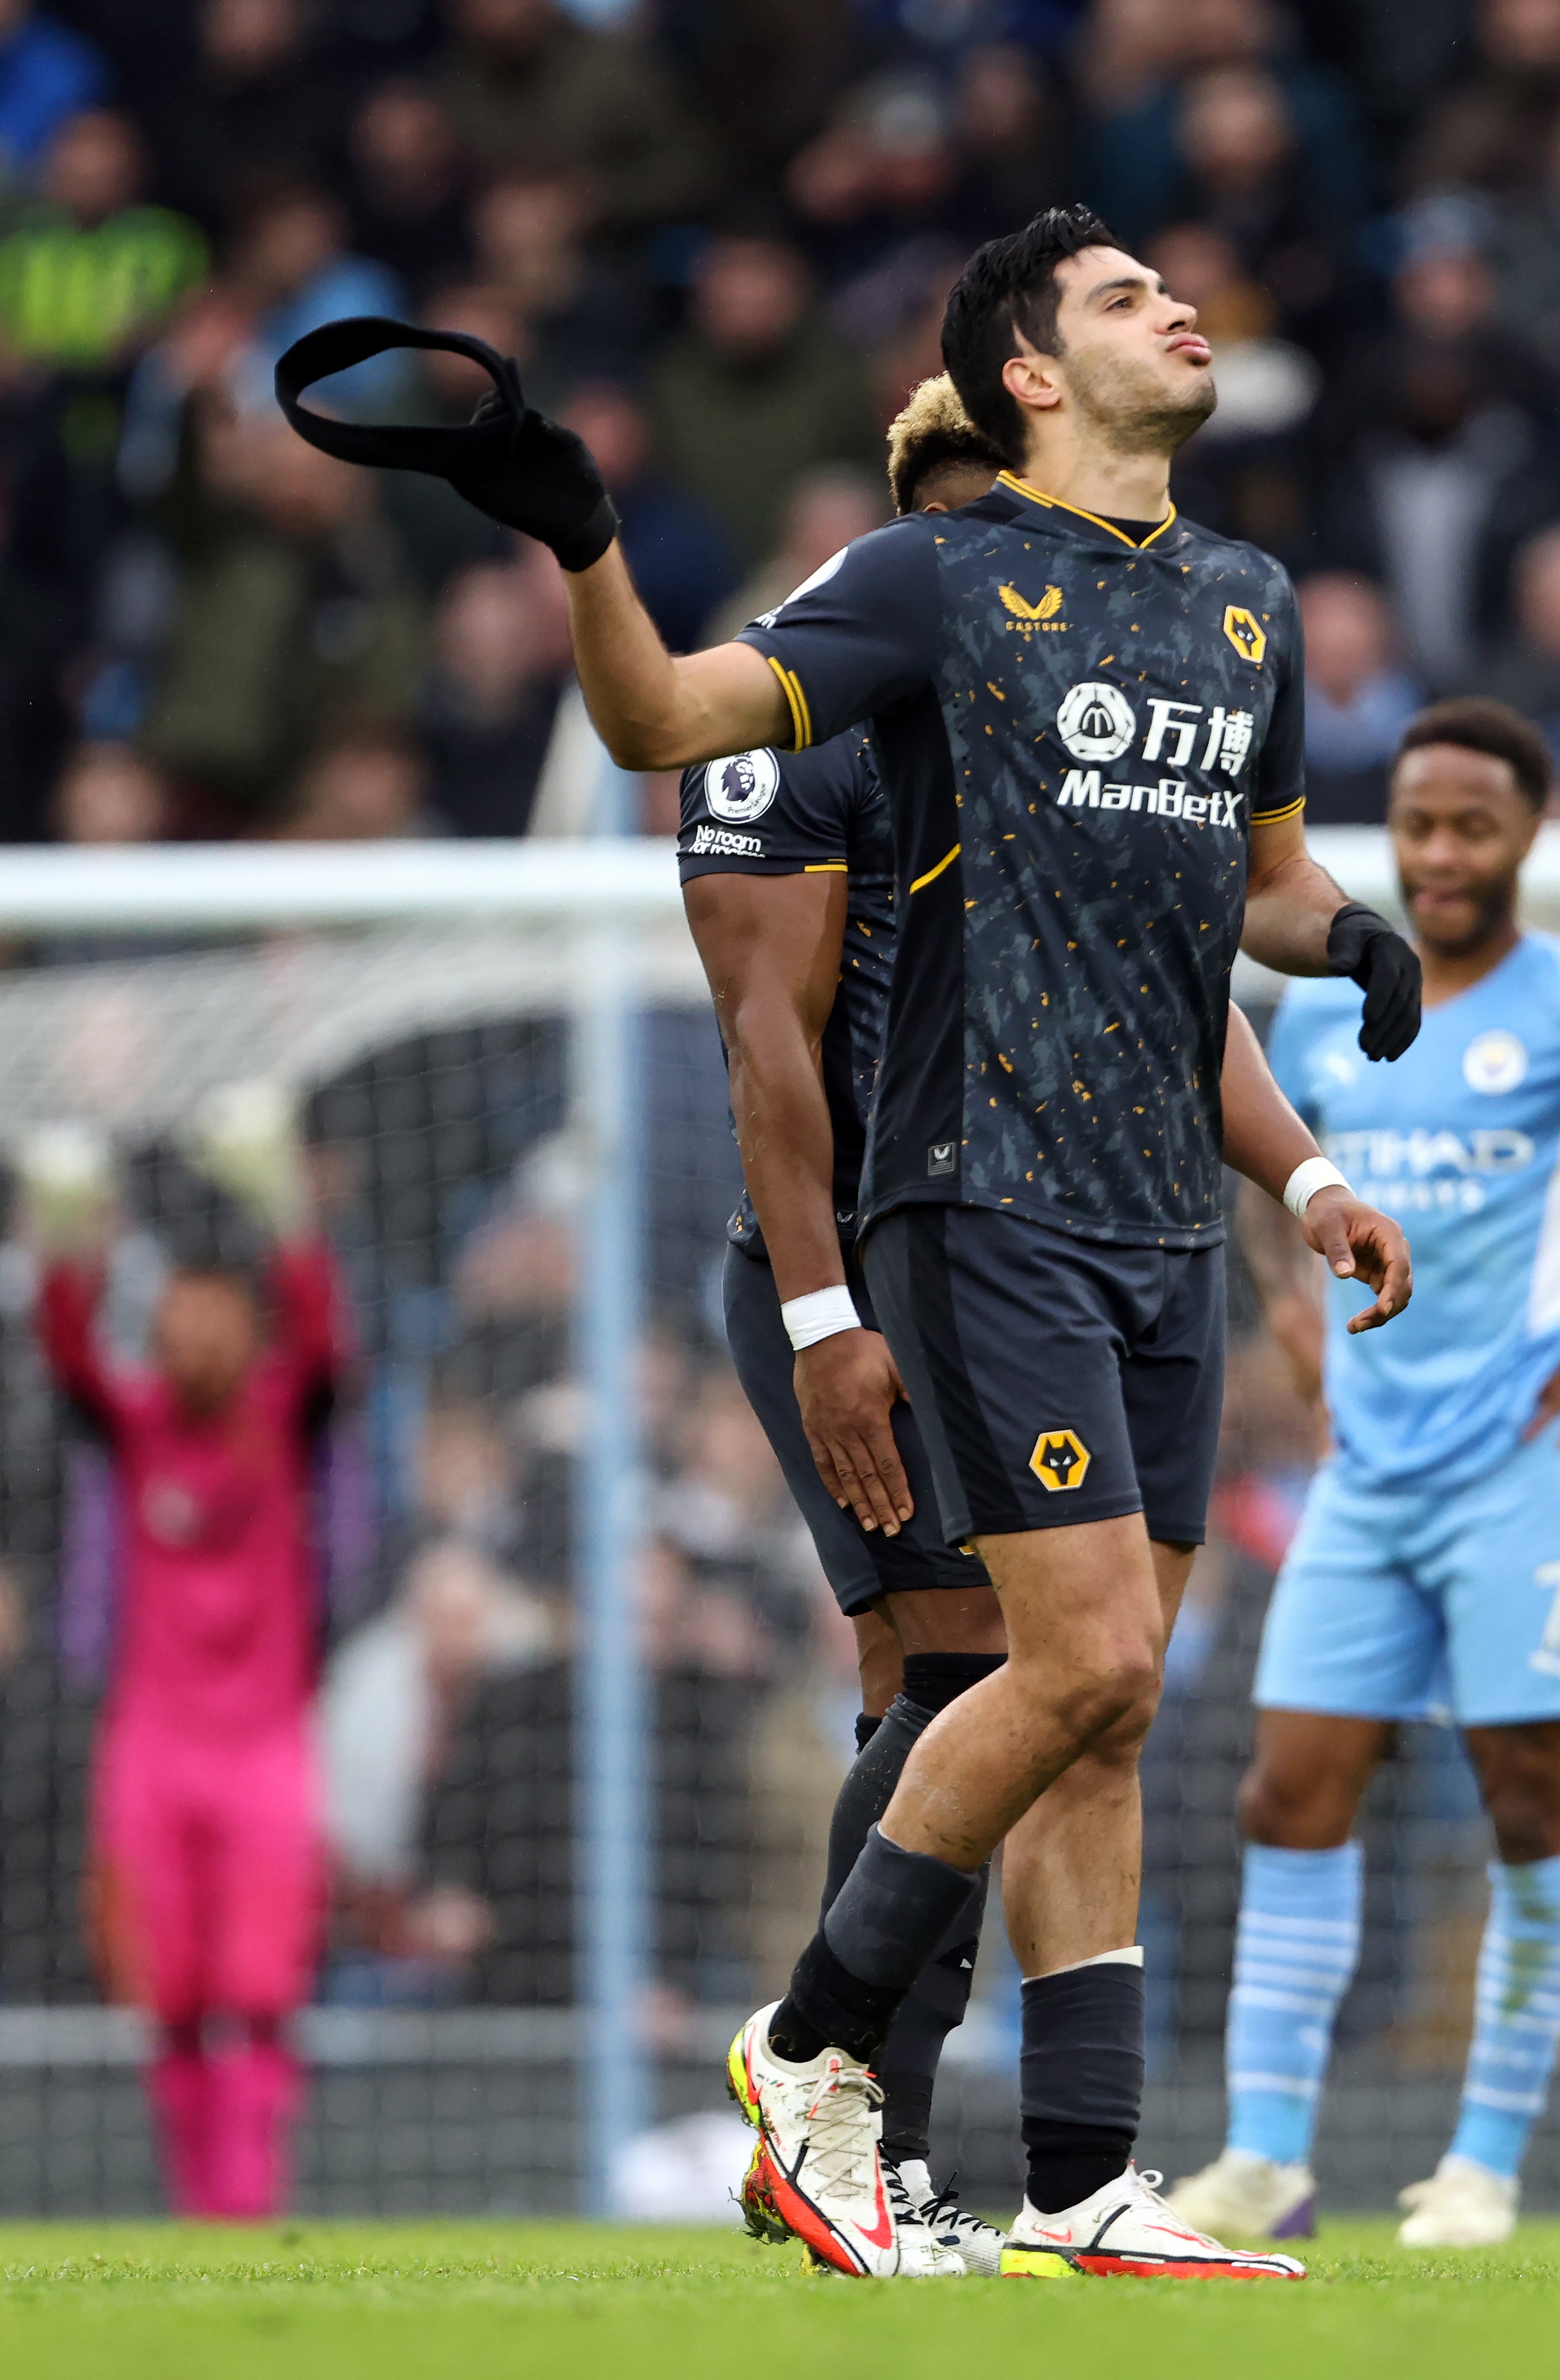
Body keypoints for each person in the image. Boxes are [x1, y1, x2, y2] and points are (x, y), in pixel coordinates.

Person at [299, 203, 1424, 2278]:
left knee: (1113, 1701)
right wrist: (580, 540)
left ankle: (1086, 2173)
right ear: (1026, 374)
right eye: (1119, 297)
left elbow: (1251, 885)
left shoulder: (1249, 609)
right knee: (1057, 1655)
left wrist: (1344, 945)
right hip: (977, 1202)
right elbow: (659, 726)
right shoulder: (932, 579)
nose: (1180, 305)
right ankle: (814, 2054)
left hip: (1166, 1220)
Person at [679, 375, 1408, 2274]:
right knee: (967, 1667)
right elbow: (769, 1047)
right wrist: (830, 1307)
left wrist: (1305, 1187)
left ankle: (1065, 2162)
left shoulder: (1093, 715)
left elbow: (1175, 992)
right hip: (878, 1252)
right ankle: (855, 2119)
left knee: (1084, 1687)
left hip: (1072, 1229)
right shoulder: (816, 705)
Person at [1167, 698, 1560, 2251]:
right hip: (1369, 1476)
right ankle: (1265, 2154)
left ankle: (1485, 2157)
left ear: (1530, 833)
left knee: (1529, 1804)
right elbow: (1248, 1134)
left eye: (1474, 825)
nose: (1442, 853)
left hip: (1529, 1471)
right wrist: (1279, 1297)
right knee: (1290, 1791)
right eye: (1418, 824)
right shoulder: (1323, 1008)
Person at [28, 1094, 346, 2223]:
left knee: (259, 1994)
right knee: (165, 1995)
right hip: (154, 1744)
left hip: (265, 1746)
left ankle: (250, 2206)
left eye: (221, 1314)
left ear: (249, 1330)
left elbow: (328, 1345)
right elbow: (64, 1349)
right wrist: (66, 1236)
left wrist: (285, 1212)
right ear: (155, 1326)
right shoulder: (137, 1422)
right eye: (179, 1314)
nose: (198, 1333)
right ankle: (196, 2207)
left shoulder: (282, 1415)